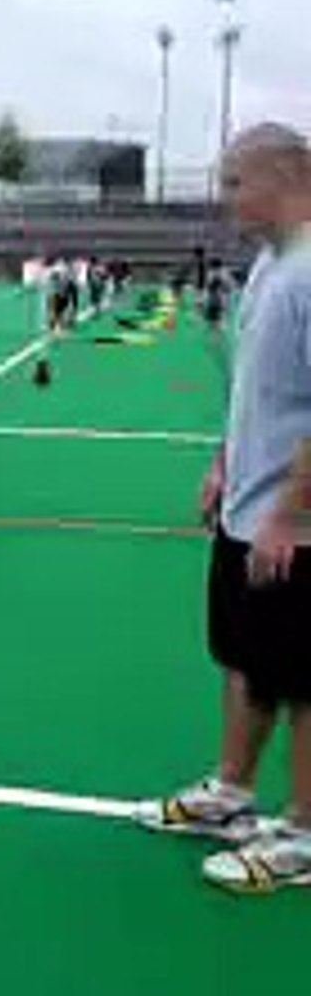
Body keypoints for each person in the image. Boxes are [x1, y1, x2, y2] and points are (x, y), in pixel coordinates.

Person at [134, 123, 311, 893]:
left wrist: (289, 514)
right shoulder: (270, 267)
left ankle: (303, 834)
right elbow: (259, 391)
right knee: (246, 656)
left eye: (236, 182)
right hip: (248, 507)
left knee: (304, 678)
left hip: (294, 526)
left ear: (286, 177)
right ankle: (233, 792)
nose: (226, 198)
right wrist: (223, 463)